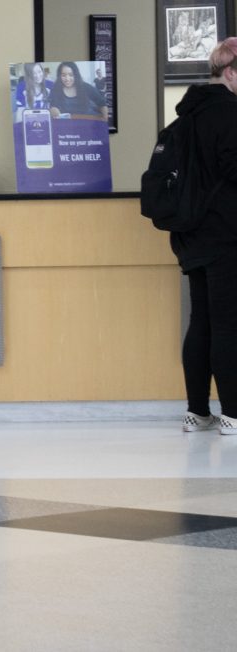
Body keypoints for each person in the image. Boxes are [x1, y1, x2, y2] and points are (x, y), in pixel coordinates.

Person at [171, 37, 237, 436]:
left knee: (203, 321)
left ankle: (198, 412)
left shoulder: (185, 116)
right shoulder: (230, 115)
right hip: (227, 234)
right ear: (230, 71)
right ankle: (233, 414)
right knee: (229, 323)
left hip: (190, 234)